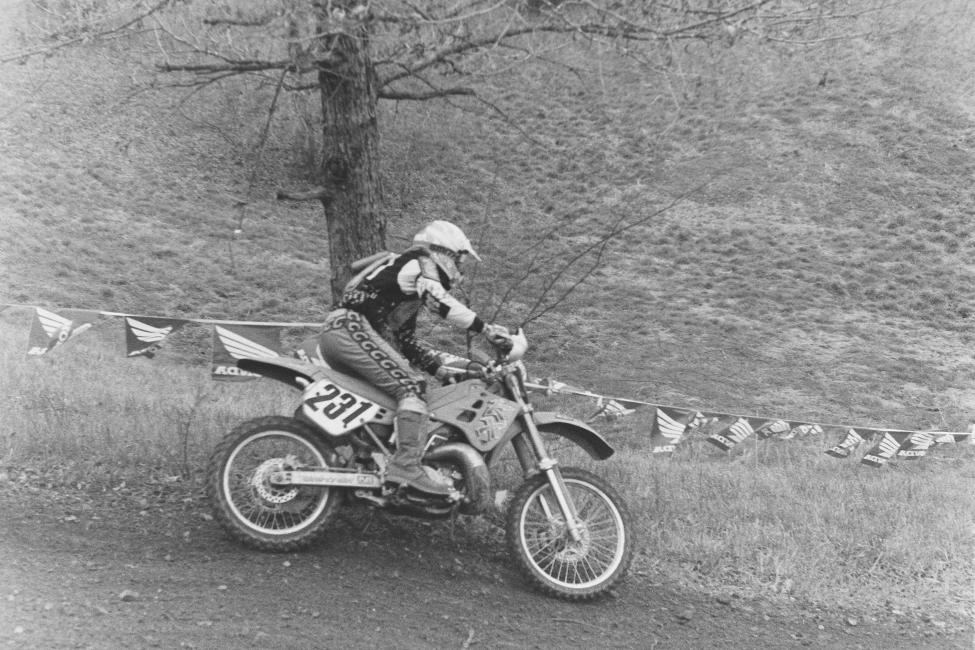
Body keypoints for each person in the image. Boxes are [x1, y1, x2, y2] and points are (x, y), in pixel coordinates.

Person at [317, 220, 509, 497]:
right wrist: (485, 329)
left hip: (345, 332)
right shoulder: (421, 262)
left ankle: (362, 465)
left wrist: (440, 370)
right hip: (348, 328)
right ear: (447, 252)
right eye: (460, 260)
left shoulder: (406, 282)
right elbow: (439, 300)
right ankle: (406, 465)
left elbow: (405, 339)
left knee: (386, 398)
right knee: (412, 387)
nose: (461, 270)